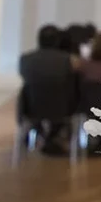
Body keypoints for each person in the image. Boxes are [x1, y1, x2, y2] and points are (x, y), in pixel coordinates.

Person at [18, 25, 78, 154]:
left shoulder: (25, 59)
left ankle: (42, 134)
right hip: (62, 108)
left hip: (32, 107)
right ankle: (52, 137)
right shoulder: (68, 60)